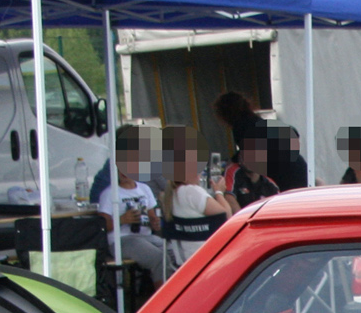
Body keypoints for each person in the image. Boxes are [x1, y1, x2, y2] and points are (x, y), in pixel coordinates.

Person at [96, 125, 168, 285]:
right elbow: (100, 225)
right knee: (158, 258)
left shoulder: (144, 188)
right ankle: (163, 300)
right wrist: (122, 219)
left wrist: (154, 222)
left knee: (173, 253)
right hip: (123, 239)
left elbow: (152, 218)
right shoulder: (110, 192)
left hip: (146, 236)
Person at [159, 127, 231, 271]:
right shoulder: (193, 192)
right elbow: (227, 218)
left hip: (184, 264)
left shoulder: (170, 194)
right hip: (209, 261)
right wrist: (219, 192)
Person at [226, 122, 282, 212]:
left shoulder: (270, 185)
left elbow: (279, 209)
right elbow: (229, 197)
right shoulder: (233, 171)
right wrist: (243, 220)